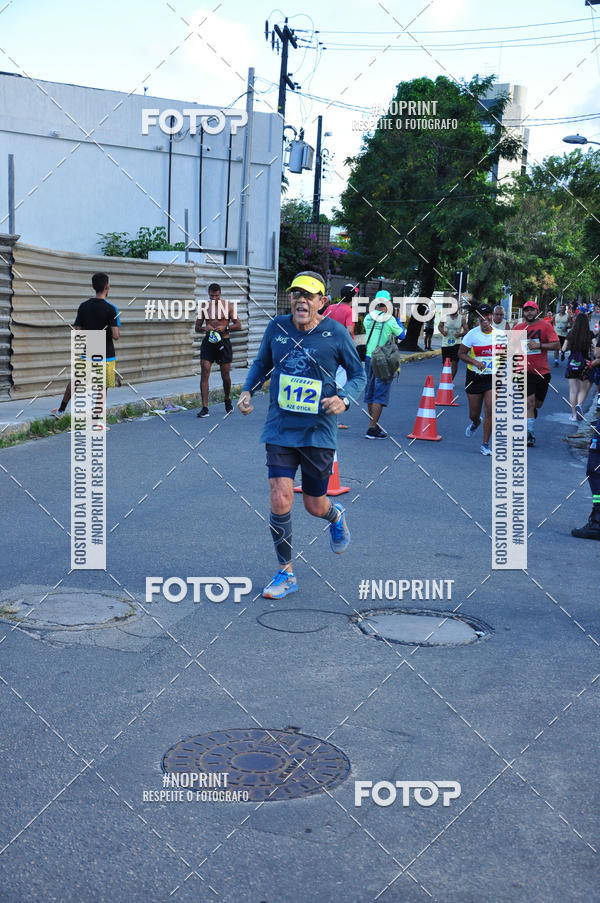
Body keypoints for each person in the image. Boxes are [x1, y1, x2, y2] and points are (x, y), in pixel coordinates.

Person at [237, 270, 365, 599]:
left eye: (309, 295)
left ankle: (335, 515)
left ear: (322, 301)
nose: (301, 301)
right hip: (280, 427)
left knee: (313, 504)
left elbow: (357, 374)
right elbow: (262, 362)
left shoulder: (335, 333)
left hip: (318, 431)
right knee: (280, 496)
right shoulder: (276, 327)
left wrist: (345, 399)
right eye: (296, 294)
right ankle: (286, 571)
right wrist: (248, 391)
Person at [51, 272, 120, 426]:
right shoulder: (111, 309)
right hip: (106, 352)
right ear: (107, 287)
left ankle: (61, 410)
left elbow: (78, 331)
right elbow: (116, 335)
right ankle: (96, 421)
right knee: (102, 387)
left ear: (94, 287)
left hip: (90, 348)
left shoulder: (83, 306)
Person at [458, 303, 506, 456]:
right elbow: (461, 353)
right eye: (481, 316)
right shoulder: (472, 334)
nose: (485, 319)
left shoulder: (500, 334)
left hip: (492, 377)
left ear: (491, 317)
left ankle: (485, 444)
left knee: (490, 409)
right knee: (474, 413)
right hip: (475, 377)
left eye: (488, 315)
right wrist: (475, 362)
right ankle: (476, 422)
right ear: (478, 318)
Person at [512, 300, 559, 447]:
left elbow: (557, 345)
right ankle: (529, 435)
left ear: (537, 311)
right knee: (529, 402)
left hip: (542, 372)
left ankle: (530, 416)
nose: (529, 313)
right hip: (523, 371)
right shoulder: (518, 328)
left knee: (537, 405)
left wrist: (539, 345)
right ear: (523, 312)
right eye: (526, 310)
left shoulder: (546, 326)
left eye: (532, 310)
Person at [195, 283, 242, 417]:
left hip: (223, 342)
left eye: (216, 295)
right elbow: (197, 327)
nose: (214, 298)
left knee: (225, 374)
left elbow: (239, 325)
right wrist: (205, 328)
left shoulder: (229, 306)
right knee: (205, 370)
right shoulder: (204, 308)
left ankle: (227, 399)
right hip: (209, 341)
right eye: (211, 295)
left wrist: (225, 328)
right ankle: (205, 407)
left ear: (220, 294)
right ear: (208, 294)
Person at [363, 290, 402, 439]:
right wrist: (398, 320)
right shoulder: (390, 319)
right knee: (380, 393)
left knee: (371, 392)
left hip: (368, 357)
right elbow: (402, 335)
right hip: (383, 360)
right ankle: (372, 428)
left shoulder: (367, 317)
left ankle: (373, 424)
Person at [321, 284, 356, 429]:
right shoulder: (350, 311)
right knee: (337, 385)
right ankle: (331, 420)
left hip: (326, 349)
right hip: (340, 353)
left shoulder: (330, 308)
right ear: (353, 297)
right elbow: (349, 330)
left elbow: (320, 323)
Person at [562, 313, 595, 421]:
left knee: (573, 390)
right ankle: (579, 405)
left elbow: (563, 349)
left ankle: (574, 415)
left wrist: (570, 348)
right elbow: (595, 346)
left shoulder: (571, 333)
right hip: (585, 364)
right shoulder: (589, 334)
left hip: (572, 363)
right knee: (583, 389)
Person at [438, 305, 467, 379]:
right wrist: (443, 332)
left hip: (457, 343)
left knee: (454, 362)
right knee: (445, 363)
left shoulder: (462, 318)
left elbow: (467, 330)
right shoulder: (445, 317)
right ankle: (445, 379)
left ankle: (450, 380)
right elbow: (440, 326)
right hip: (445, 343)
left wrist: (460, 334)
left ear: (457, 309)